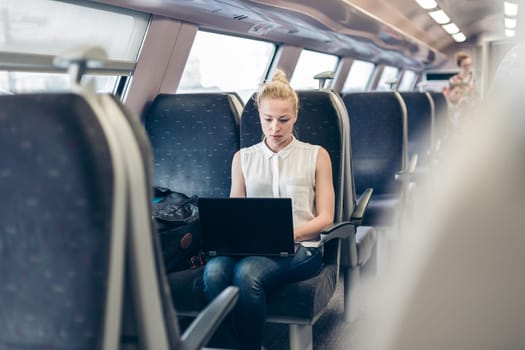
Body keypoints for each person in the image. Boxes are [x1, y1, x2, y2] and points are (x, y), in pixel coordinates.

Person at [203, 69, 335, 350]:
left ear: (295, 116)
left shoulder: (316, 155)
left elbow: (326, 217)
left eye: (284, 120)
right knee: (214, 272)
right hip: (251, 246)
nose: (276, 128)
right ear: (259, 117)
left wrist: (288, 233)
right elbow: (235, 211)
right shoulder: (243, 159)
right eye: (268, 119)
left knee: (247, 273)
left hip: (302, 247)